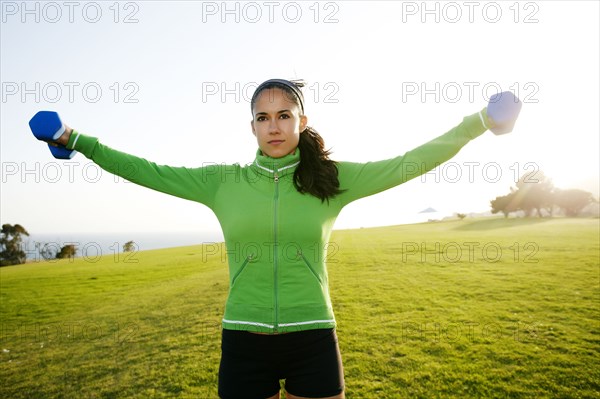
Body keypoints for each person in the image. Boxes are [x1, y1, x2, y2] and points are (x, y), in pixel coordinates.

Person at [53, 78, 505, 399]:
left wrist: (481, 120)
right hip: (243, 340)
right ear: (251, 126)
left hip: (312, 336)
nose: (273, 126)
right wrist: (75, 139)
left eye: (284, 116)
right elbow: (146, 171)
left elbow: (414, 160)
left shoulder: (333, 179)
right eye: (263, 117)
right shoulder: (221, 182)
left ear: (301, 122)